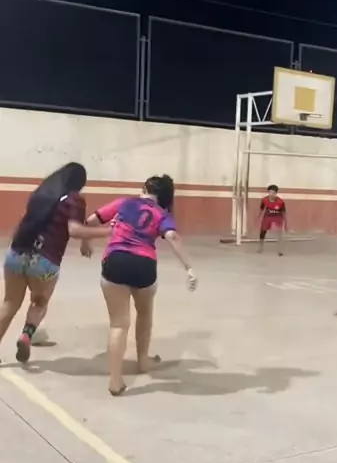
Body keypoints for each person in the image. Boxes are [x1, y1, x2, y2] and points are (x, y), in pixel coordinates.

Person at [85, 175, 197, 397]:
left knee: (118, 324)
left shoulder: (124, 203)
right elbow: (172, 236)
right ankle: (143, 361)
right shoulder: (162, 213)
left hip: (115, 260)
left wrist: (85, 242)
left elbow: (90, 221)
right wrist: (189, 268)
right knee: (144, 315)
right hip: (144, 265)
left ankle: (115, 381)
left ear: (145, 188)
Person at [1, 162, 110, 363]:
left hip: (17, 254)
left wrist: (12, 246)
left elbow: (22, 220)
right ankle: (26, 335)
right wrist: (109, 231)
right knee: (39, 302)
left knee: (9, 303)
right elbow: (75, 230)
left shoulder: (41, 194)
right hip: (45, 261)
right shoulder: (74, 200)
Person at [258, 185, 287, 256]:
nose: (271, 194)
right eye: (270, 192)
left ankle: (280, 250)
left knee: (280, 232)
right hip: (268, 216)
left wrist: (286, 223)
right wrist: (258, 217)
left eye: (273, 193)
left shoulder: (280, 202)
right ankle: (260, 247)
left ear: (276, 193)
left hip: (278, 216)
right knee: (262, 231)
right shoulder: (264, 200)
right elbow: (261, 209)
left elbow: (284, 213)